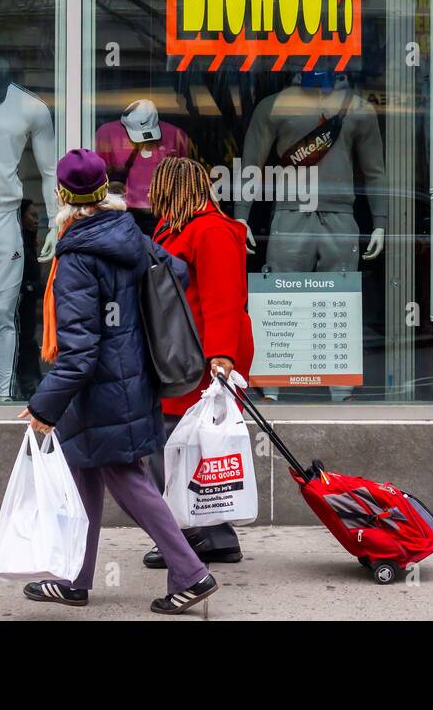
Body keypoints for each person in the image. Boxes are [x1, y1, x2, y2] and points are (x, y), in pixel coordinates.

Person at [18, 149, 218, 615]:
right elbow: (179, 271)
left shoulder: (77, 256)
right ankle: (74, 578)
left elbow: (81, 349)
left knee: (128, 479)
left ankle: (192, 573)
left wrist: (44, 406)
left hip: (101, 388)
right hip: (130, 377)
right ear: (104, 188)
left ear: (62, 195)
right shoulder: (127, 232)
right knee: (86, 473)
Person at [141, 156, 255, 569]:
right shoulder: (184, 227)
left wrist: (220, 360)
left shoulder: (209, 230)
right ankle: (211, 536)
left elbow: (224, 299)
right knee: (185, 447)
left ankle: (193, 537)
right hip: (184, 356)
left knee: (175, 448)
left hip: (200, 361)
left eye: (158, 187)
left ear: (174, 188)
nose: (151, 194)